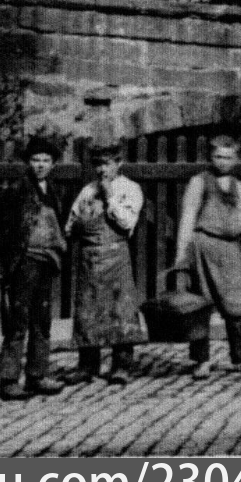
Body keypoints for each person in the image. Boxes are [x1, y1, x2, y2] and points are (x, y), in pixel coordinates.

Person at [175, 133, 241, 379]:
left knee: (237, 306)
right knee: (200, 306)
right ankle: (201, 361)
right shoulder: (199, 182)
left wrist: (239, 228)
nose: (223, 162)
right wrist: (182, 254)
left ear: (236, 159)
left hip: (230, 249)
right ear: (211, 157)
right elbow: (188, 217)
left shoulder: (238, 186)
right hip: (204, 246)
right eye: (218, 156)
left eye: (228, 158)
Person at [0, 133, 67, 399]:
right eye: (35, 160)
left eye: (45, 160)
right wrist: (11, 261)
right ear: (28, 162)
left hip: (48, 261)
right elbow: (1, 230)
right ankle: (9, 380)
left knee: (42, 320)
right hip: (24, 262)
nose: (40, 165)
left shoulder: (55, 191)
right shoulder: (16, 190)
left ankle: (37, 374)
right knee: (18, 321)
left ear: (53, 164)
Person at [66, 141, 144, 384]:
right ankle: (87, 366)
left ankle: (122, 365)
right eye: (98, 164)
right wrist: (81, 223)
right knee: (87, 311)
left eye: (107, 164)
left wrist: (110, 197)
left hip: (116, 256)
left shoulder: (130, 189)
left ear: (119, 163)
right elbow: (71, 224)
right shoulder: (87, 191)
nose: (102, 169)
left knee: (121, 310)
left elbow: (126, 222)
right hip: (90, 258)